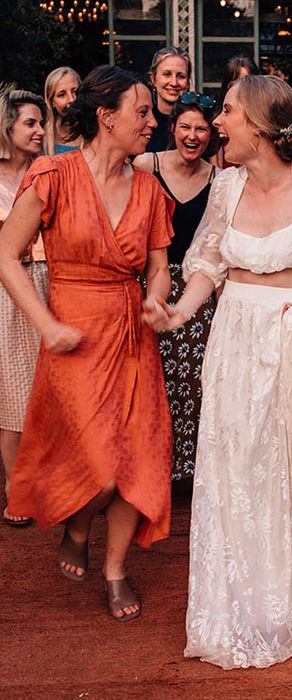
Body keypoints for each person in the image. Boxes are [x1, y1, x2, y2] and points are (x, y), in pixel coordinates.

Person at [143, 74, 292, 669]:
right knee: (239, 465)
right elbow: (206, 265)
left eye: (226, 113)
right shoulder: (225, 187)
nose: (216, 122)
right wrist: (175, 315)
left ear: (259, 125)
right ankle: (242, 599)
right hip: (236, 342)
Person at [0, 66, 174, 622]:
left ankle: (116, 569)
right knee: (100, 468)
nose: (151, 122)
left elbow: (160, 267)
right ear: (106, 116)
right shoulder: (52, 174)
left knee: (138, 462)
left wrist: (158, 298)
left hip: (132, 334)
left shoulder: (149, 187)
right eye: (141, 111)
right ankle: (77, 525)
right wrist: (46, 325)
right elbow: (5, 255)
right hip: (73, 334)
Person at [134, 93, 217, 479]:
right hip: (148, 279)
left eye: (201, 128)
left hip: (196, 285)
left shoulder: (218, 178)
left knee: (193, 379)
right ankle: (145, 462)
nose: (192, 134)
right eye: (185, 126)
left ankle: (186, 469)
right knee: (149, 376)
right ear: (173, 128)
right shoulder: (145, 166)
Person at [0, 87, 47, 527]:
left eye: (41, 123)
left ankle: (43, 480)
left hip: (49, 280)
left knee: (44, 385)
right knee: (12, 386)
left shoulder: (46, 171)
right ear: (7, 126)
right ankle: (14, 485)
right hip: (7, 287)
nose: (39, 131)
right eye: (30, 123)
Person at [214, 55, 259, 169]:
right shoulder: (219, 121)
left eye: (246, 83)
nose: (240, 89)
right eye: (234, 84)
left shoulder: (263, 121)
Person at [146, 46, 191, 152]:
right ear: (153, 79)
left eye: (181, 76)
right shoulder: (143, 122)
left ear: (188, 83)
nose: (174, 83)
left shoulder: (198, 124)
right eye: (167, 74)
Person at [43, 66, 81, 155]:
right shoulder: (42, 137)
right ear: (52, 102)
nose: (71, 99)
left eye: (75, 92)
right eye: (62, 95)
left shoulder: (95, 133)